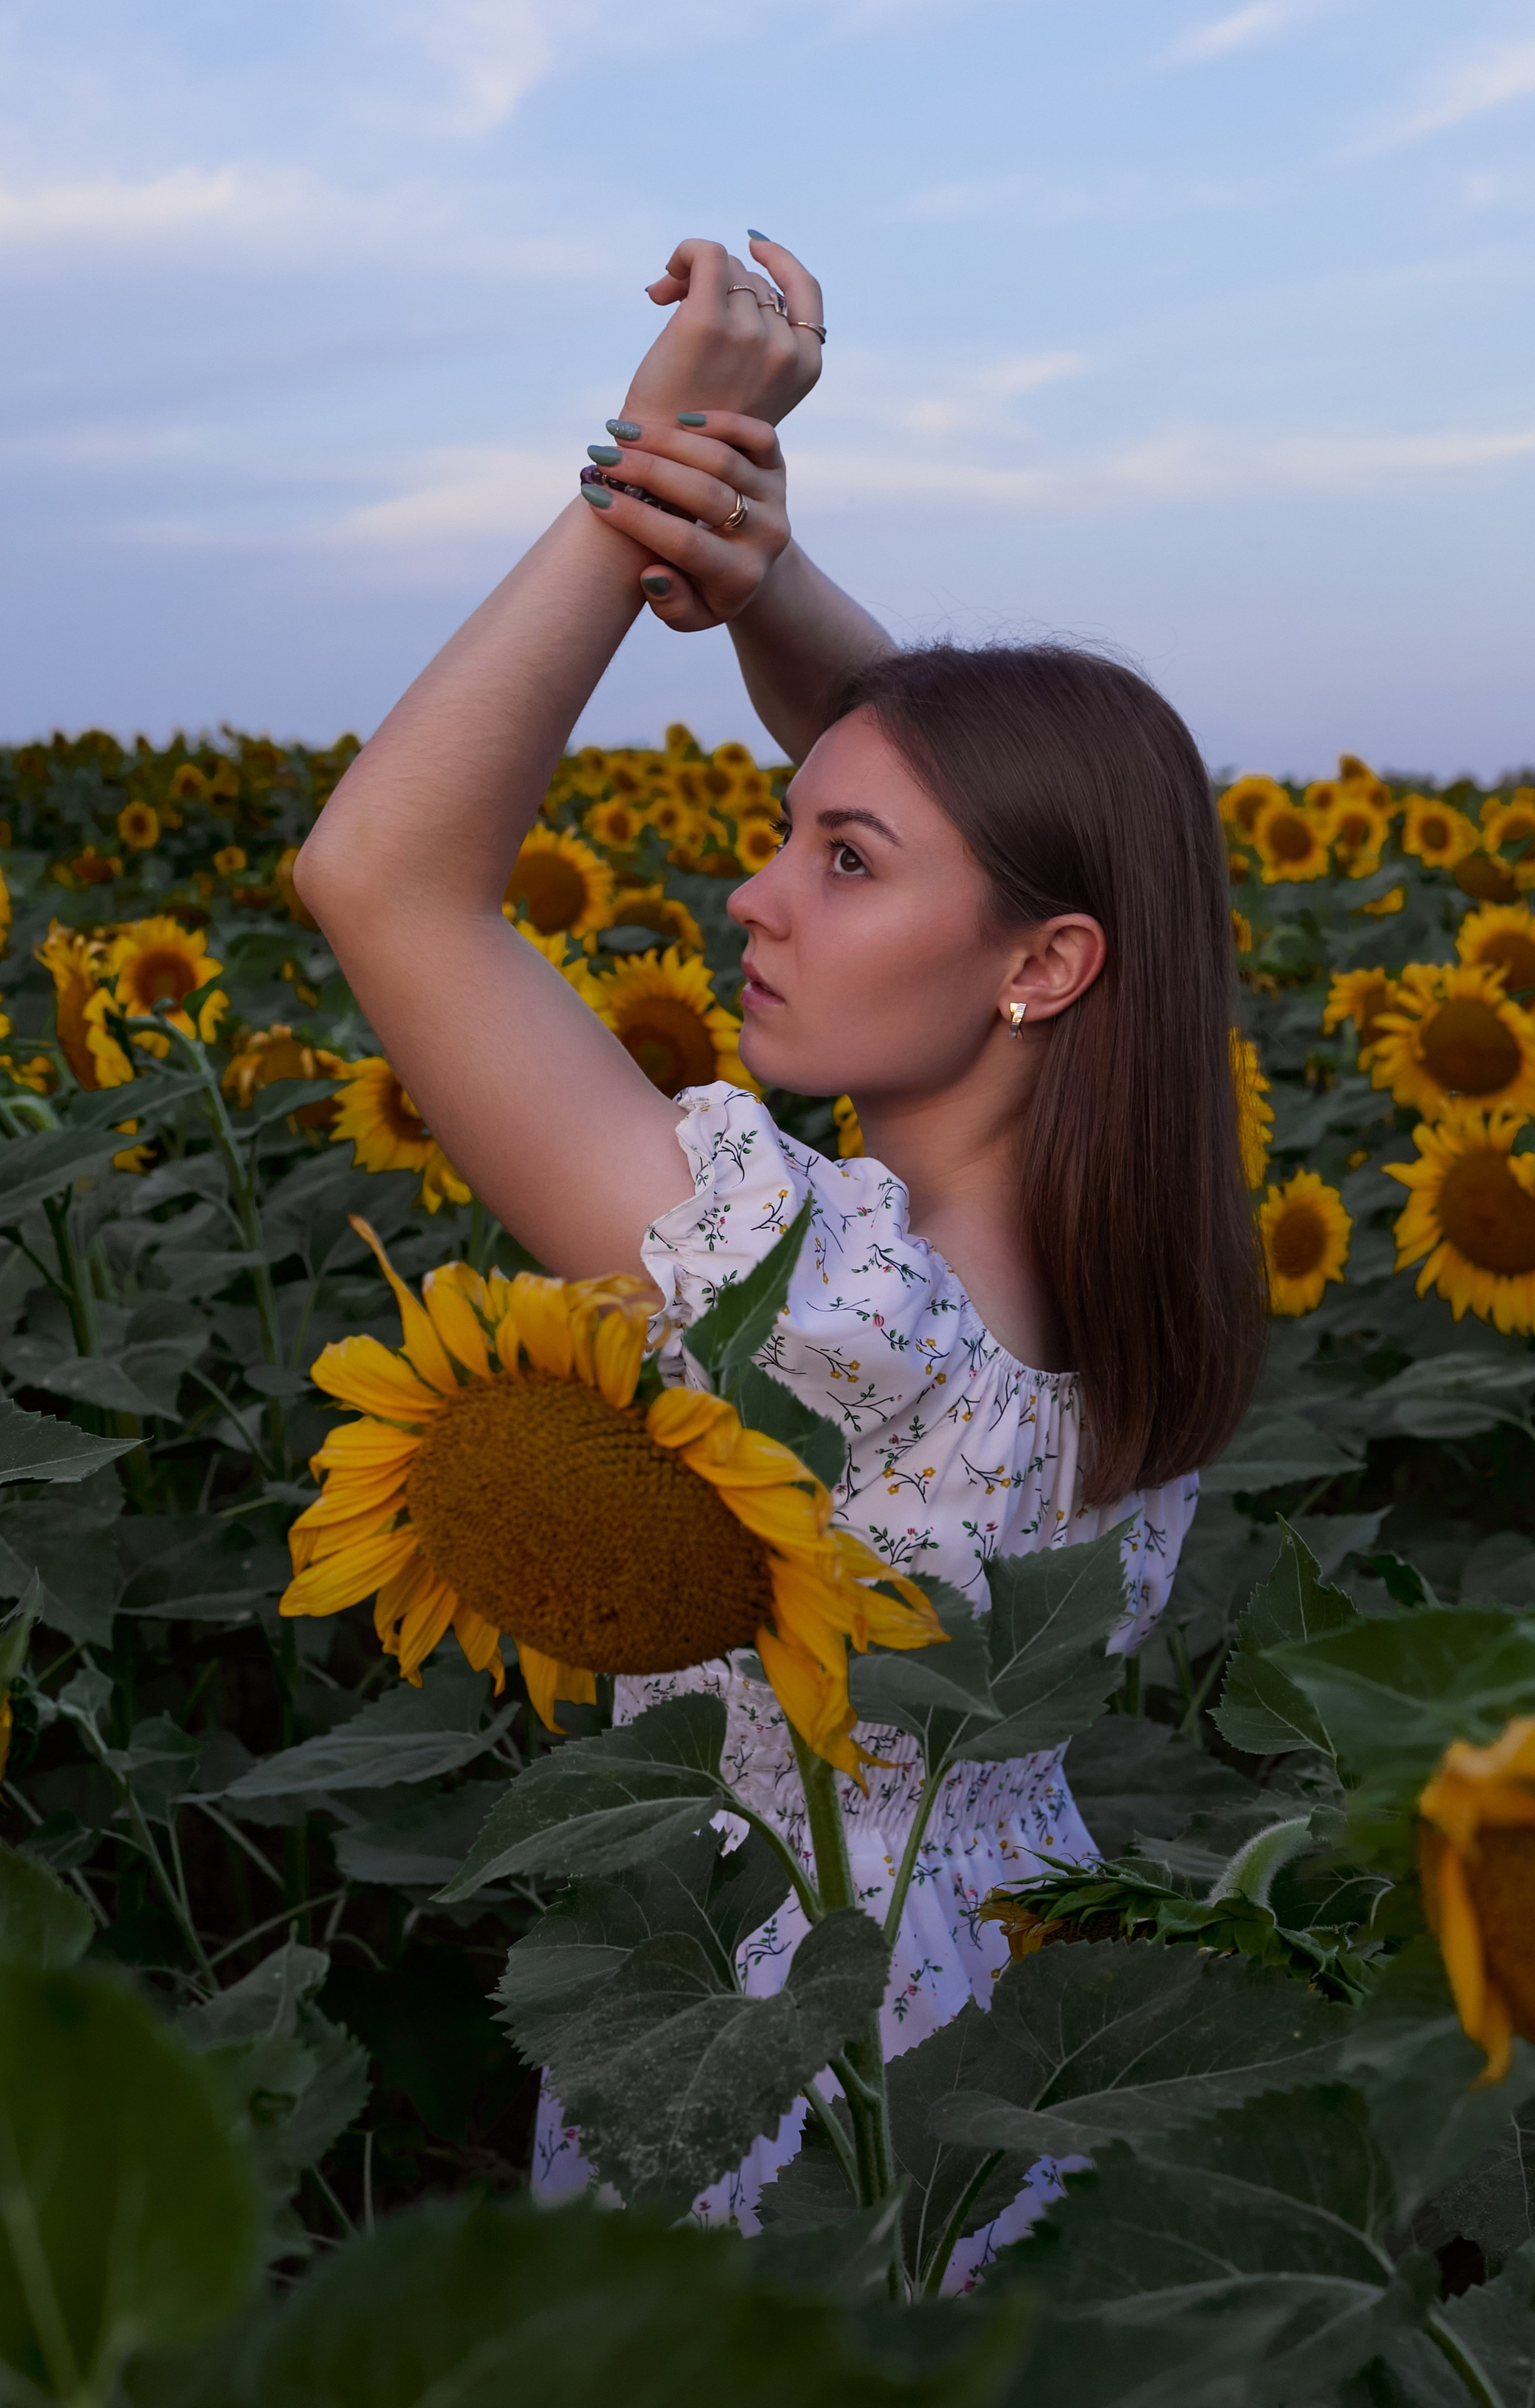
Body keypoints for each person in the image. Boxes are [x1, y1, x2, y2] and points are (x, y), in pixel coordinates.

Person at [294, 236, 1263, 2273]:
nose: (751, 893)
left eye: (837, 862)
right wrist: (757, 565)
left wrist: (636, 473)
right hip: (1012, 2022)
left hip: (790, 2050)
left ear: (1041, 968)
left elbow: (381, 874)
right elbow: (1023, 835)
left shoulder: (821, 1308)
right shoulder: (1141, 1281)